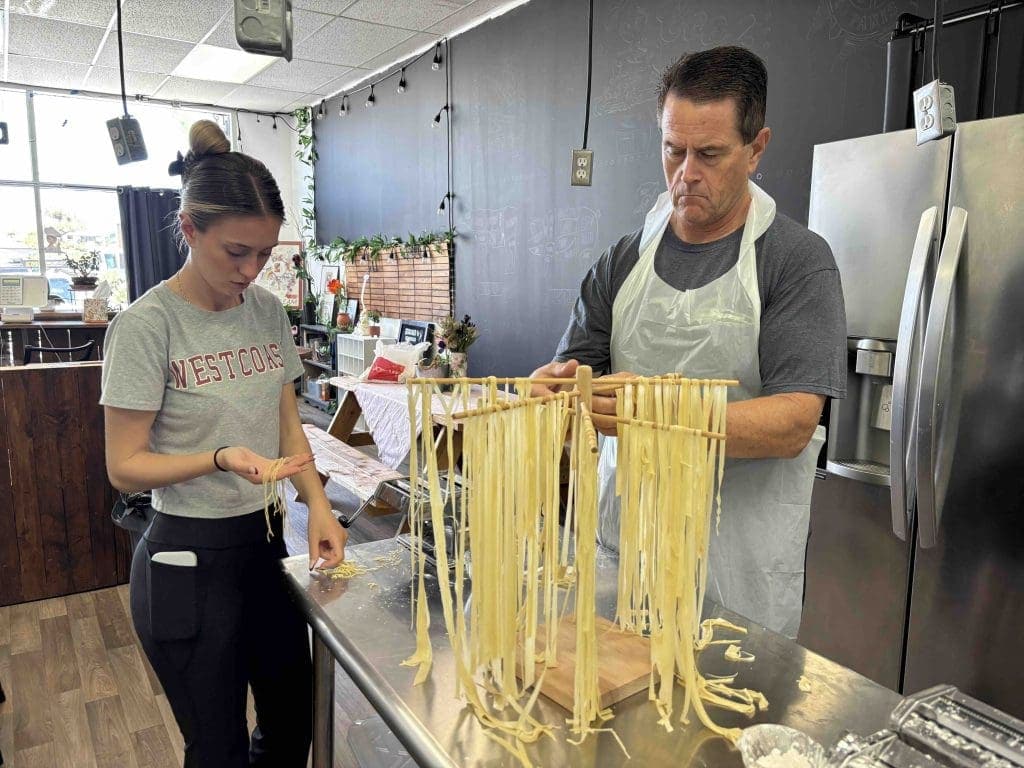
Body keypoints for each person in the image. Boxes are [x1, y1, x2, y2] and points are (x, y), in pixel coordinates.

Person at [533, 46, 846, 639]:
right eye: (673, 150)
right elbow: (577, 379)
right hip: (625, 556)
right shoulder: (623, 260)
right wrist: (554, 389)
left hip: (737, 571)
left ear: (757, 149)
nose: (686, 174)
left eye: (709, 154)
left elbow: (793, 423)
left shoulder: (797, 262)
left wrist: (652, 411)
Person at [101, 120, 348, 766]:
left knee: (292, 728)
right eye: (236, 251)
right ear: (189, 230)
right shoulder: (145, 326)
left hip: (265, 547)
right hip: (186, 558)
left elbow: (286, 420)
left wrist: (317, 504)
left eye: (264, 254)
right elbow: (125, 466)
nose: (250, 269)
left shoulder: (265, 311)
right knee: (218, 749)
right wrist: (218, 458)